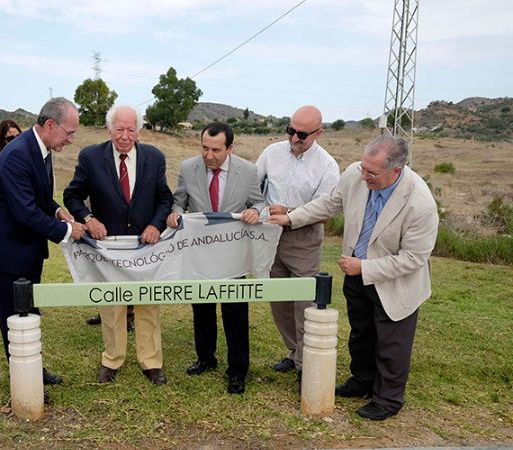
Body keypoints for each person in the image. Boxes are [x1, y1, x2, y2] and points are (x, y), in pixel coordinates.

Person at [267, 136, 439, 420]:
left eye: (372, 173)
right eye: (363, 168)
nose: (363, 176)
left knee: (391, 343)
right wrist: (292, 217)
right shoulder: (356, 174)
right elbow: (330, 203)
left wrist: (366, 268)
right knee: (360, 335)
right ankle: (361, 382)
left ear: (396, 171)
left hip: (395, 282)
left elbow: (414, 258)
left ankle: (388, 399)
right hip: (355, 273)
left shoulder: (419, 203)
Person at [0, 97, 86, 390]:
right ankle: (23, 381)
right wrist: (67, 230)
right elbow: (25, 212)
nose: (71, 140)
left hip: (28, 249)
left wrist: (58, 209)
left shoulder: (42, 149)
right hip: (6, 249)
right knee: (13, 316)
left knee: (29, 312)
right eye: (69, 132)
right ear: (50, 125)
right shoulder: (16, 155)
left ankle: (32, 367)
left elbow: (39, 198)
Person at [63, 104, 173, 385]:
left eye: (131, 129)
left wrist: (155, 225)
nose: (125, 136)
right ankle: (112, 359)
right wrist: (88, 218)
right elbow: (72, 195)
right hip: (108, 248)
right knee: (111, 305)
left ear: (139, 131)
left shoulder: (154, 157)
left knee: (148, 303)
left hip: (145, 246)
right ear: (109, 128)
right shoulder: (90, 157)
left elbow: (164, 198)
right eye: (119, 129)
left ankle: (151, 363)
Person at [165, 122, 264, 394]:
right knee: (202, 308)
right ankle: (206, 358)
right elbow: (178, 201)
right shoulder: (188, 168)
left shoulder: (248, 170)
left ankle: (238, 369)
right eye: (205, 148)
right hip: (199, 254)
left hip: (233, 255)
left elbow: (259, 202)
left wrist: (256, 212)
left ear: (230, 148)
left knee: (235, 311)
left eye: (216, 150)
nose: (209, 156)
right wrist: (174, 213)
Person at [255, 105, 340, 379]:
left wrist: (290, 214)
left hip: (303, 239)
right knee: (279, 301)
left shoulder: (327, 166)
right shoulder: (271, 153)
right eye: (290, 130)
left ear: (318, 133)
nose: (294, 138)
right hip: (270, 237)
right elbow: (254, 189)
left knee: (304, 303)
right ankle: (294, 352)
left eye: (302, 134)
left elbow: (325, 210)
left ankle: (307, 367)